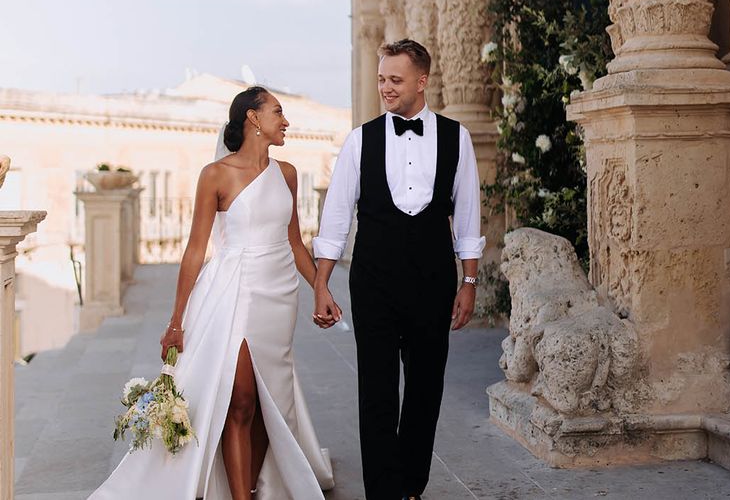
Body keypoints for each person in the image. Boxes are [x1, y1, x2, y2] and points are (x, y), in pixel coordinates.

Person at [90, 86, 336, 500]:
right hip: (235, 289)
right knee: (239, 398)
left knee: (266, 401)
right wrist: (176, 321)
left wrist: (321, 290)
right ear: (253, 119)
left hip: (280, 296)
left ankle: (254, 484)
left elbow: (295, 242)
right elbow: (194, 250)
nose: (286, 121)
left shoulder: (288, 173)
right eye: (278, 112)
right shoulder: (215, 175)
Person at [312, 40, 485, 500]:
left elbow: (468, 217)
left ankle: (411, 485)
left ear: (421, 81)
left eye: (395, 79)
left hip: (432, 279)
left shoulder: (456, 137)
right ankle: (384, 492)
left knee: (427, 387)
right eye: (381, 79)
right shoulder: (359, 140)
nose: (385, 88)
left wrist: (468, 282)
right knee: (377, 391)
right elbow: (334, 219)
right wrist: (321, 284)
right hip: (373, 280)